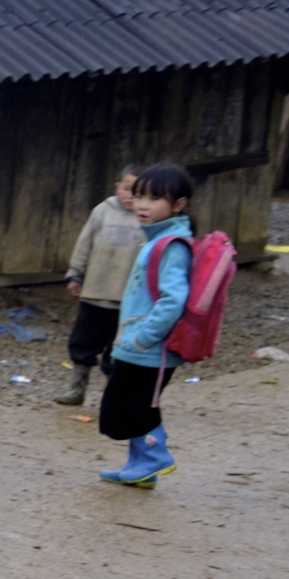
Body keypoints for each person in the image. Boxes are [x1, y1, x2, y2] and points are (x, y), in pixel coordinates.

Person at [97, 162, 194, 488]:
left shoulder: (173, 244)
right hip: (138, 346)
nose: (142, 205)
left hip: (152, 350)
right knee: (124, 402)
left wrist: (144, 338)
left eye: (153, 199)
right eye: (139, 196)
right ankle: (141, 466)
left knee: (137, 406)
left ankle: (155, 458)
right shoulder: (157, 239)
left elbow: (173, 300)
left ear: (178, 204)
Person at [57, 165, 142, 405]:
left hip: (126, 300)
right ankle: (77, 388)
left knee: (118, 350)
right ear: (117, 186)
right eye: (126, 189)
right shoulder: (102, 211)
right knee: (83, 342)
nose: (130, 196)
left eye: (138, 192)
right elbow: (84, 245)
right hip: (95, 293)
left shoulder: (146, 219)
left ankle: (110, 396)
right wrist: (76, 275)